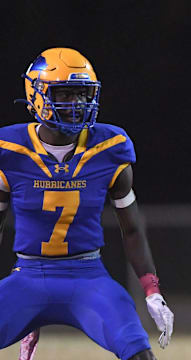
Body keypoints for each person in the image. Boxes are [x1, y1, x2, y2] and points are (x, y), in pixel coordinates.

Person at [0, 47, 173, 360]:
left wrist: (152, 289)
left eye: (82, 94)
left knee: (139, 353)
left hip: (88, 277)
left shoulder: (110, 147)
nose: (76, 104)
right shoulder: (10, 150)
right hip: (28, 275)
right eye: (65, 95)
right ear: (36, 95)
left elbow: (132, 229)